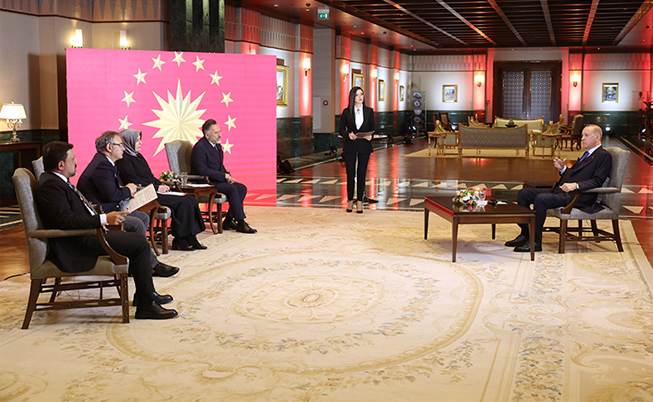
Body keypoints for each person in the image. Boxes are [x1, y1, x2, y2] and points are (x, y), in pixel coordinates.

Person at [35, 141, 177, 319]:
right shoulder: (51, 185)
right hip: (77, 242)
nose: (76, 162)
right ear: (61, 165)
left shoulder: (56, 180)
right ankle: (146, 305)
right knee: (139, 242)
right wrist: (104, 219)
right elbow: (65, 221)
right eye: (73, 159)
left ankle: (145, 296)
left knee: (137, 240)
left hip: (87, 234)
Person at [78, 131, 180, 277]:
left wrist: (126, 192)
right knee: (137, 223)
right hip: (101, 213)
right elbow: (111, 195)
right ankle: (150, 265)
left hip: (109, 207)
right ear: (109, 147)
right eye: (120, 145)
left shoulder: (105, 162)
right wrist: (128, 189)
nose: (124, 148)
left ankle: (137, 261)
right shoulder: (102, 165)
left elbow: (110, 192)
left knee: (143, 217)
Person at [506, 124, 612, 252]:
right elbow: (574, 174)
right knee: (524, 193)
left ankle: (535, 242)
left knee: (541, 199)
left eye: (586, 135)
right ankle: (525, 234)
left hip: (579, 196)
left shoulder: (603, 156)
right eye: (582, 135)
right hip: (564, 192)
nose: (582, 138)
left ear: (597, 137)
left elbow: (597, 181)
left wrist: (576, 185)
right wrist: (563, 168)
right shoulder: (587, 154)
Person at [116, 129, 207, 251]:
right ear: (129, 141)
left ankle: (191, 237)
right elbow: (134, 183)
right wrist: (157, 187)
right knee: (184, 202)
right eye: (137, 140)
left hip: (154, 191)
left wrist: (162, 184)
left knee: (190, 199)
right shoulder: (124, 160)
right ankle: (180, 240)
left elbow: (149, 177)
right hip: (144, 195)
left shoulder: (138, 156)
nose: (141, 143)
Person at [191, 119, 257, 234]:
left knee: (241, 188)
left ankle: (229, 220)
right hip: (206, 182)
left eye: (219, 131)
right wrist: (223, 176)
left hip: (217, 179)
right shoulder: (200, 148)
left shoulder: (217, 146)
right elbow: (202, 171)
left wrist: (227, 176)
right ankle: (241, 222)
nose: (220, 135)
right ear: (207, 135)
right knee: (232, 189)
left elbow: (220, 166)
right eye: (216, 133)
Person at [339, 86, 375, 213]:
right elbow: (341, 129)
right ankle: (350, 200)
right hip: (350, 146)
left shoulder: (369, 111)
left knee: (361, 173)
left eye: (362, 94)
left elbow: (372, 128)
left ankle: (359, 201)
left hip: (365, 146)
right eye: (357, 95)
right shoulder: (346, 112)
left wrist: (370, 136)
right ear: (352, 97)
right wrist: (348, 135)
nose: (360, 97)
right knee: (350, 173)